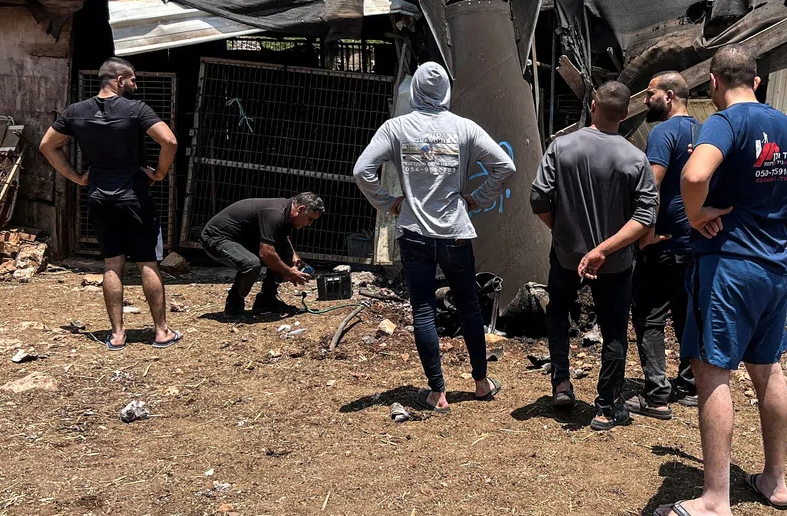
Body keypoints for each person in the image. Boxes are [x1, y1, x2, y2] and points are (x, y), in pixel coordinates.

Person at [658, 45, 787, 516]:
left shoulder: (723, 122)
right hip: (774, 265)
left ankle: (715, 499)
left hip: (728, 266)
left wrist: (697, 215)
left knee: (713, 370)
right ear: (757, 81)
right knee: (768, 369)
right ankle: (775, 482)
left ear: (714, 83)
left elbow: (695, 173)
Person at [353, 61, 514, 413]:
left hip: (414, 233)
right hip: (455, 231)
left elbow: (361, 170)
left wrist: (389, 203)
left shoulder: (396, 128)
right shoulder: (465, 128)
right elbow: (506, 166)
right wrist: (477, 198)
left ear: (415, 92)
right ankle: (481, 383)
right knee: (470, 307)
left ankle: (437, 392)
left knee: (423, 309)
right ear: (446, 92)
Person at [531, 81, 658, 431]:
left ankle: (561, 382)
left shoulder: (561, 147)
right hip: (615, 263)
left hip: (567, 256)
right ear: (625, 115)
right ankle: (606, 408)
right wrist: (603, 249)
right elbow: (645, 217)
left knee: (558, 313)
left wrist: (563, 231)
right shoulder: (636, 158)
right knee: (614, 330)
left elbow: (538, 200)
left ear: (593, 107)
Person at [40, 56, 180, 350]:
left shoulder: (76, 112)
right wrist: (159, 173)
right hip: (134, 196)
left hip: (99, 196)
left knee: (112, 264)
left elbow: (47, 145)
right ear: (118, 80)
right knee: (147, 263)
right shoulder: (136, 109)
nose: (136, 84)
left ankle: (117, 335)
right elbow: (169, 141)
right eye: (133, 79)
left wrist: (77, 177)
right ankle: (161, 332)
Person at [625, 71, 700, 422]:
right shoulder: (703, 131)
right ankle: (687, 387)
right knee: (687, 314)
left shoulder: (662, 133)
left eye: (650, 94)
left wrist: (646, 233)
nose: (644, 100)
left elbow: (651, 186)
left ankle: (656, 395)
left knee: (649, 316)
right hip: (695, 242)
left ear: (669, 96)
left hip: (664, 240)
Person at [199, 193, 323, 317]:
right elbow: (266, 254)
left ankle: (266, 300)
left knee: (284, 256)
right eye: (309, 219)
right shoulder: (275, 214)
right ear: (300, 209)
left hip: (241, 238)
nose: (309, 224)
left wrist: (294, 258)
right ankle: (234, 304)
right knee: (251, 264)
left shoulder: (287, 212)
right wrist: (290, 273)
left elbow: (283, 239)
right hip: (216, 237)